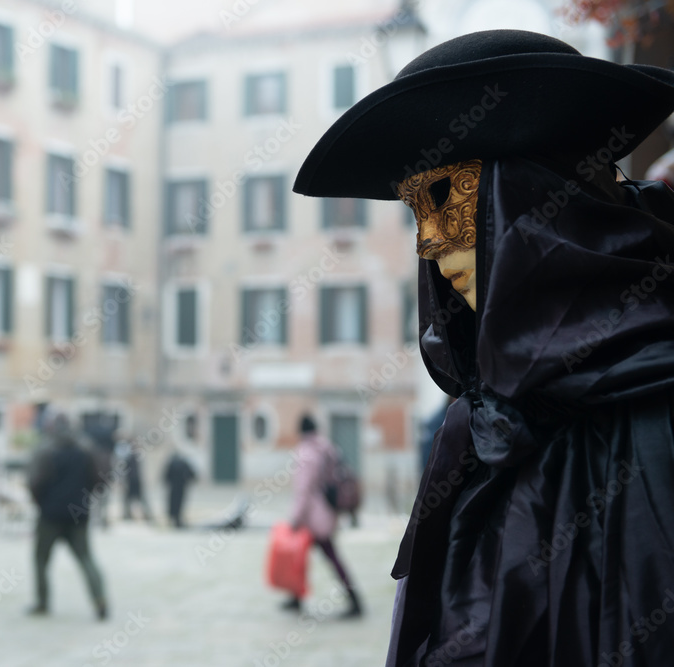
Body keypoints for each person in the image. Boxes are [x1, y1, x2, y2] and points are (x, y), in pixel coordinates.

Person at [294, 29, 674, 666]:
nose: (431, 245)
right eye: (417, 212)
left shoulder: (658, 407)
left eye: (446, 197)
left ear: (536, 192)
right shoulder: (483, 424)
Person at [26, 413, 108, 620]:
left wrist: (41, 503)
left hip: (50, 515)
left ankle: (42, 603)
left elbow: (35, 483)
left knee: (41, 560)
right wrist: (85, 498)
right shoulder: (87, 449)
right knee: (86, 558)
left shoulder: (45, 450)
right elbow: (99, 479)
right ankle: (100, 600)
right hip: (78, 514)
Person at [282, 414, 362, 618]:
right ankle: (296, 597)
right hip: (328, 512)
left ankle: (355, 600)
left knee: (326, 557)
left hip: (313, 517)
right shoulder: (327, 448)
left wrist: (295, 518)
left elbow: (304, 490)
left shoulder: (307, 453)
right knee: (304, 557)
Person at [115, 435, 152, 522]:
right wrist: (122, 481)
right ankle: (126, 514)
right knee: (127, 499)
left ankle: (147, 514)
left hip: (136, 480)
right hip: (129, 480)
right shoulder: (126, 455)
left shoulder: (136, 455)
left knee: (141, 498)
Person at [162, 446, 196, 528]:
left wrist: (167, 483)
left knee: (172, 503)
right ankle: (178, 520)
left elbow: (166, 476)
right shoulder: (184, 463)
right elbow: (192, 475)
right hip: (181, 486)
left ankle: (172, 518)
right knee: (179, 503)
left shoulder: (172, 463)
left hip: (173, 487)